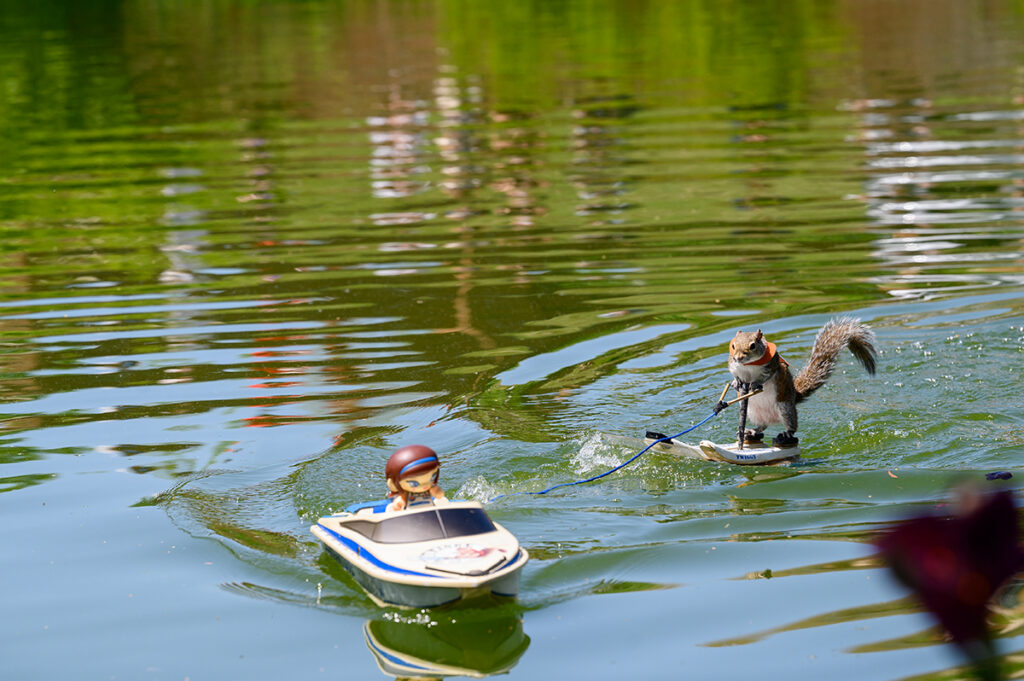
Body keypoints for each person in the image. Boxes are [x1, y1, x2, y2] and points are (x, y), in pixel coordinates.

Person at [385, 444, 447, 511]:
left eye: (432, 477)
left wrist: (436, 491)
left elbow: (439, 495)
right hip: (412, 517)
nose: (424, 485)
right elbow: (397, 506)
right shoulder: (403, 497)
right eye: (413, 483)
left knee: (443, 500)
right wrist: (396, 506)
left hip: (431, 514)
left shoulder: (430, 489)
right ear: (393, 484)